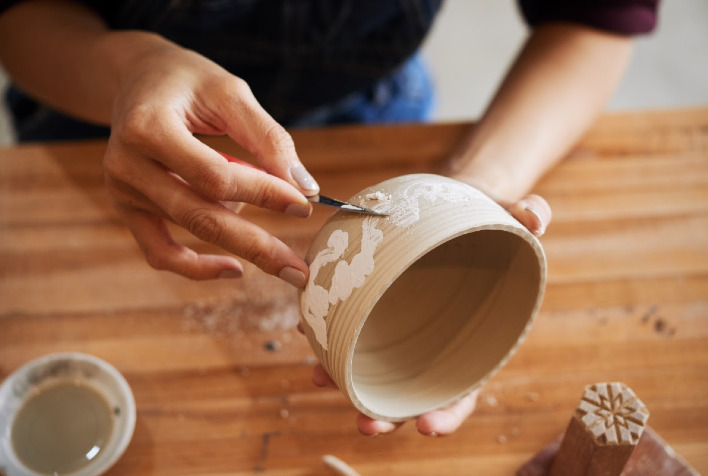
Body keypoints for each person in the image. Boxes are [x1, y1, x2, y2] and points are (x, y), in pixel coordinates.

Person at [0, 0, 659, 436]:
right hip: (107, 120)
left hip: (369, 104)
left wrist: (475, 190)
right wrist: (128, 68)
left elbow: (597, 17)